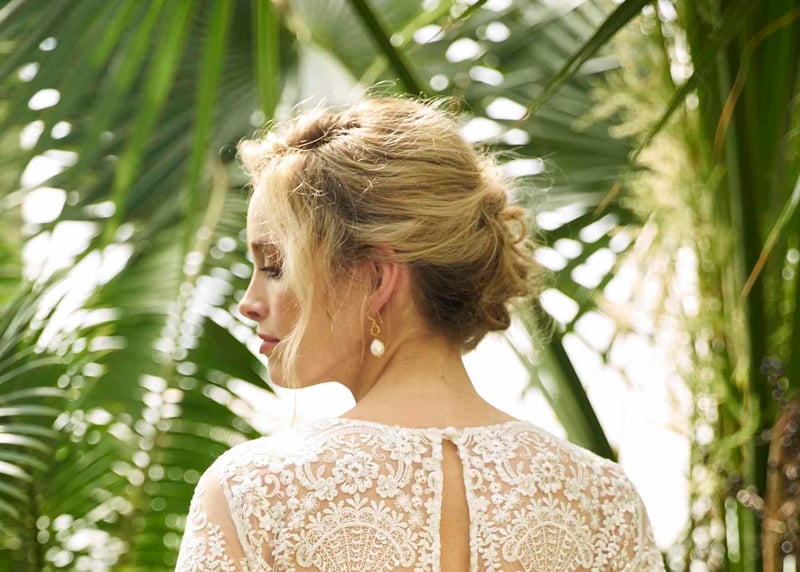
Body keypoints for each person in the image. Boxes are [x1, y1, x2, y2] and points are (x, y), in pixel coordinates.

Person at [175, 96, 664, 571]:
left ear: (376, 279)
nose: (248, 302)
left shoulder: (251, 492)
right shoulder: (605, 502)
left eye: (275, 266)